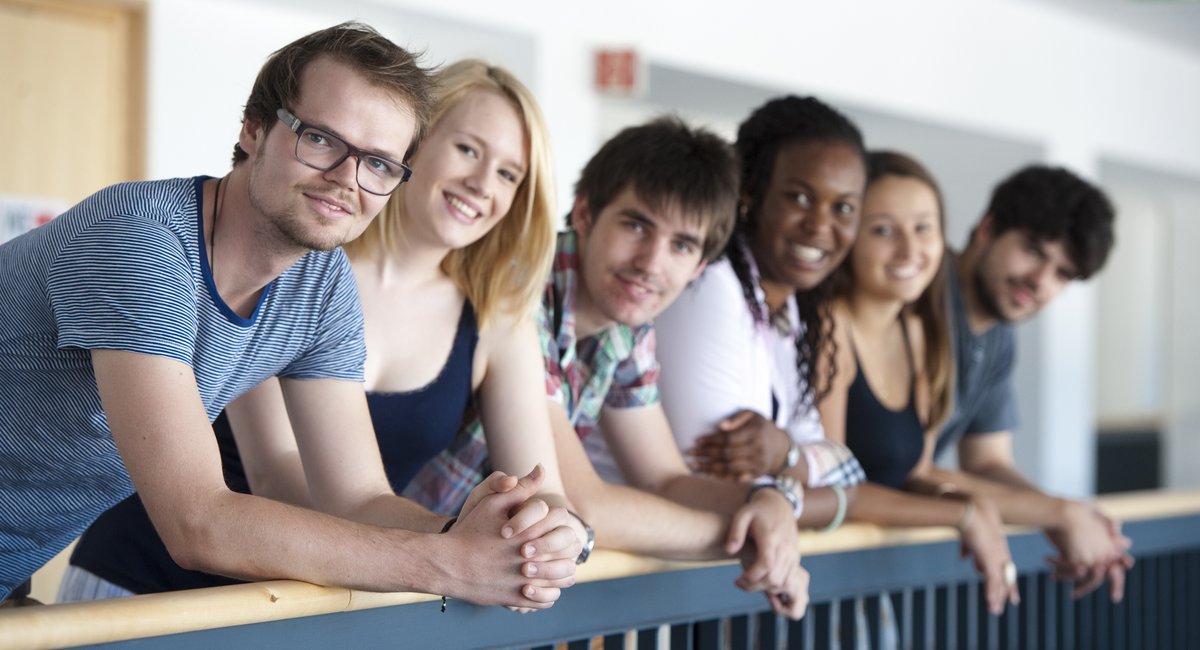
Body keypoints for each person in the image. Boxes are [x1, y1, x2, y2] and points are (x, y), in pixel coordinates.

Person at [0, 23, 578, 608]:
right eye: (323, 140)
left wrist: (476, 539)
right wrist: (446, 565)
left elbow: (356, 498)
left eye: (378, 164)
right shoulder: (141, 242)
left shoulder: (321, 287)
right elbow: (197, 520)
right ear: (254, 128)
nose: (346, 180)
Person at [412, 116, 810, 620]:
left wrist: (766, 499)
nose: (650, 262)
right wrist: (750, 539)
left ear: (700, 268)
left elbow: (664, 478)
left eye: (682, 245)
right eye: (636, 225)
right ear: (584, 214)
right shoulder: (523, 285)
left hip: (454, 587)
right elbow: (582, 503)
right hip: (397, 574)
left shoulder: (628, 327)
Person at [815, 151, 1017, 615]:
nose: (910, 251)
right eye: (884, 230)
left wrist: (974, 503)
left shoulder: (918, 332)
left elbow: (917, 474)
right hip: (811, 585)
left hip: (872, 588)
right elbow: (833, 488)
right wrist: (962, 515)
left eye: (923, 228)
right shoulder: (829, 327)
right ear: (848, 236)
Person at [655, 95, 870, 528]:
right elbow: (717, 479)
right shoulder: (711, 286)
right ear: (751, 192)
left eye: (843, 207)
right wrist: (802, 474)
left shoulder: (789, 307)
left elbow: (843, 466)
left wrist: (785, 454)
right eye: (799, 198)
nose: (820, 226)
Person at [925, 164, 1133, 600]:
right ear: (987, 228)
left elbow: (986, 462)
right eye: (1033, 250)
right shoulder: (918, 286)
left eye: (1062, 274)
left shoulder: (999, 337)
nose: (1040, 281)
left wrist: (1069, 515)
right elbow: (908, 470)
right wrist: (1056, 513)